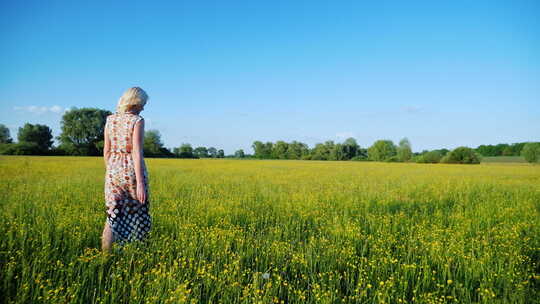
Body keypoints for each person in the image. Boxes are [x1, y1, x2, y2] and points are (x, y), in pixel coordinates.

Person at [101, 87, 151, 252]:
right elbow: (136, 151)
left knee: (112, 215)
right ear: (135, 102)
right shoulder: (137, 120)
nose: (143, 107)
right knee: (138, 212)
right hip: (131, 170)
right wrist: (141, 183)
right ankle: (139, 251)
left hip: (113, 170)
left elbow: (106, 151)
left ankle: (105, 258)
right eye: (142, 103)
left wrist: (112, 171)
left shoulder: (110, 120)